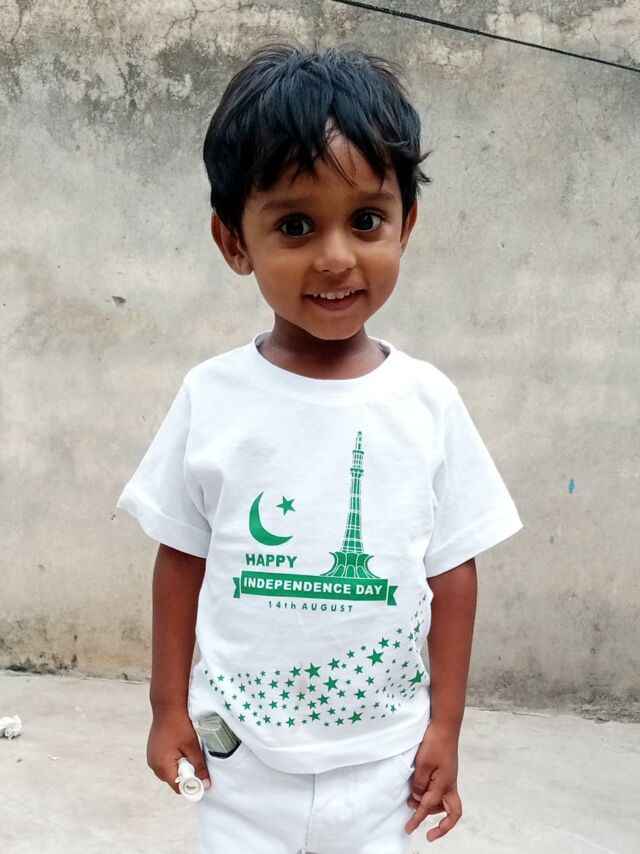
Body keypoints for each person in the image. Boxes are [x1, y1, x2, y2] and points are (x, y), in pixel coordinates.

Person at [116, 42, 523, 853]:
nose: (336, 257)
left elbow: (452, 573)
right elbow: (181, 558)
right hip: (240, 759)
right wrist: (167, 708)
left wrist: (445, 726)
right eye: (295, 225)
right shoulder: (212, 396)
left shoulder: (427, 403)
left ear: (406, 224)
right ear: (234, 243)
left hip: (386, 765)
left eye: (365, 220)